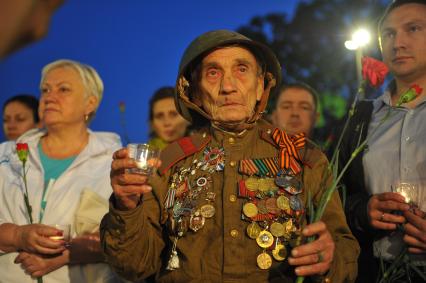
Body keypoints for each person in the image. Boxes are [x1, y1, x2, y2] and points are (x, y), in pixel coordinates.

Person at [101, 30, 359, 282]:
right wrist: (127, 207)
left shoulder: (304, 157)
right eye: (213, 73)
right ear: (195, 93)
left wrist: (329, 258)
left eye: (242, 70)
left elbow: (345, 254)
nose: (228, 86)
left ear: (260, 86)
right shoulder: (169, 163)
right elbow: (134, 266)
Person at [0, 59, 122, 282]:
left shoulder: (114, 163)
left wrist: (69, 253)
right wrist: (17, 236)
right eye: (45, 89)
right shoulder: (6, 157)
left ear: (90, 104)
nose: (49, 96)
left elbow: (128, 237)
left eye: (63, 89)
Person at [339, 1, 426, 282]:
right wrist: (363, 212)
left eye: (413, 29)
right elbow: (336, 194)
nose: (398, 43)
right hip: (376, 272)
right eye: (388, 34)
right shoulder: (360, 118)